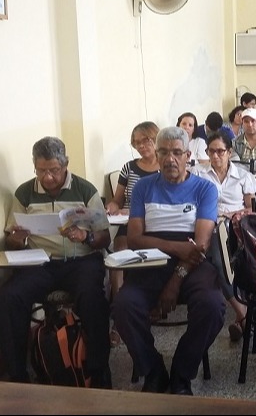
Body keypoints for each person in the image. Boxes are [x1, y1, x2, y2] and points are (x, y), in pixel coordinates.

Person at [112, 126, 224, 396]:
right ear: (157, 154)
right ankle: (153, 370)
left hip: (192, 267)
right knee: (123, 306)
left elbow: (200, 247)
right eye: (164, 152)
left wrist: (175, 283)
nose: (170, 159)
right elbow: (136, 239)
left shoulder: (205, 189)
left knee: (212, 306)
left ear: (188, 156)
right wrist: (176, 247)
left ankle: (182, 373)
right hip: (150, 264)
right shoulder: (143, 188)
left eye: (177, 153)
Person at [0, 136, 112, 387]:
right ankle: (17, 376)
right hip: (41, 263)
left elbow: (104, 237)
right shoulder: (25, 193)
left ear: (66, 164)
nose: (47, 177)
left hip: (81, 260)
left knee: (91, 297)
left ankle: (96, 368)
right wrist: (17, 239)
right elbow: (11, 242)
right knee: (9, 297)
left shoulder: (85, 189)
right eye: (41, 171)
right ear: (34, 166)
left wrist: (86, 236)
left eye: (54, 170)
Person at [192, 132, 256, 342]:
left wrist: (233, 214)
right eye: (211, 151)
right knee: (217, 256)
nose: (216, 155)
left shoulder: (243, 176)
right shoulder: (198, 174)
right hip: (208, 225)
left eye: (220, 151)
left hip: (236, 225)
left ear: (229, 152)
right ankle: (243, 314)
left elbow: (251, 209)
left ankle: (241, 315)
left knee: (218, 256)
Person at [106, 121, 160, 346]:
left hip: (156, 220)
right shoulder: (129, 167)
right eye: (136, 143)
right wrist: (112, 208)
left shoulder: (165, 165)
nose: (141, 146)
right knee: (119, 249)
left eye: (145, 140)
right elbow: (117, 200)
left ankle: (152, 302)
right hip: (129, 220)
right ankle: (119, 312)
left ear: (155, 139)